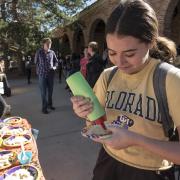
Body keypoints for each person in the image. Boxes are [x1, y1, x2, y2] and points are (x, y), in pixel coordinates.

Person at [70, 0, 180, 180]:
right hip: (107, 163)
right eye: (112, 53)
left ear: (151, 42)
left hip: (151, 172)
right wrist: (83, 112)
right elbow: (93, 124)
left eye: (129, 54)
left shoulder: (171, 80)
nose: (119, 63)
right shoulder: (108, 76)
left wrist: (136, 139)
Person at [34, 38, 58, 114]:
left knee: (50, 91)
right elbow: (36, 62)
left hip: (50, 75)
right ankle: (44, 108)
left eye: (50, 43)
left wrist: (54, 67)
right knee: (43, 92)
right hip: (42, 75)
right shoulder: (39, 52)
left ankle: (50, 105)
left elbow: (56, 62)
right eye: (47, 43)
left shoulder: (52, 52)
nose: (49, 45)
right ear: (43, 44)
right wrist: (38, 71)